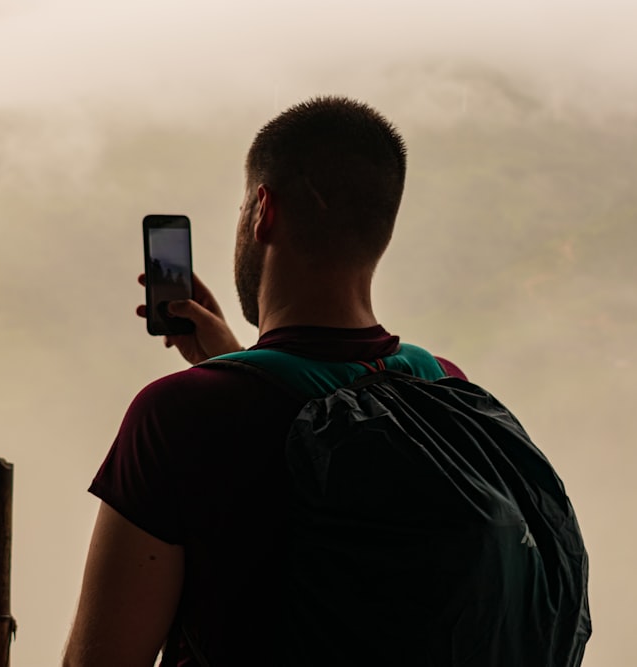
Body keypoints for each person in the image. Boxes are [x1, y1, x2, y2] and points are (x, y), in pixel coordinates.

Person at [63, 97, 497, 666]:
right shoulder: (443, 389)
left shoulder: (176, 418)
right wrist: (236, 363)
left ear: (263, 209)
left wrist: (225, 382)